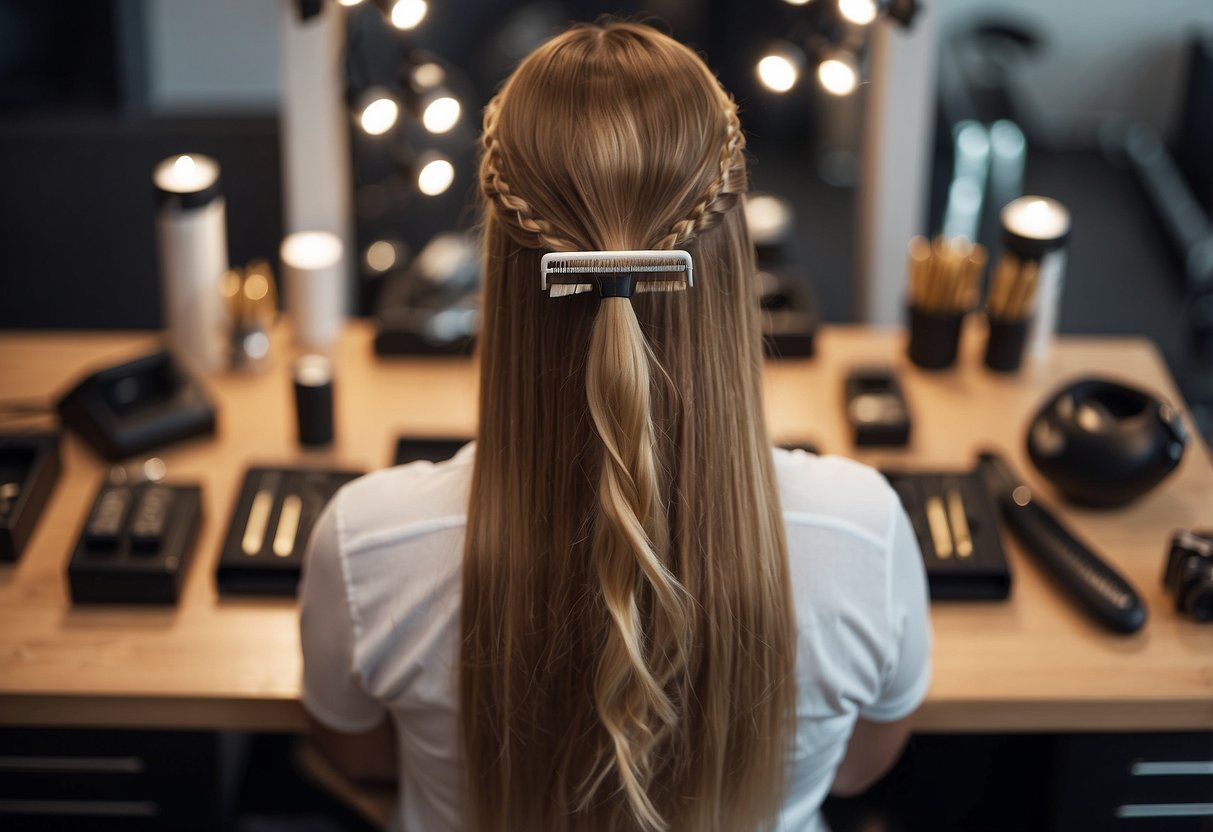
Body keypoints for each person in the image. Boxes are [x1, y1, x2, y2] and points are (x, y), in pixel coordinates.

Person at [300, 20, 930, 832]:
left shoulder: (366, 546)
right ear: (732, 252)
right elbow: (854, 772)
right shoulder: (861, 535)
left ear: (499, 260)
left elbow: (359, 758)